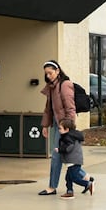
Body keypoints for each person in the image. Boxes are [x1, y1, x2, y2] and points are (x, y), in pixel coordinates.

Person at [38, 60, 77, 195]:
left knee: (57, 155)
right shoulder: (51, 87)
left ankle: (52, 187)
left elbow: (70, 108)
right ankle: (87, 181)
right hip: (56, 124)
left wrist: (68, 127)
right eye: (46, 74)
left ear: (58, 71)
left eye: (50, 73)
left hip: (64, 126)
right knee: (63, 156)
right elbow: (48, 109)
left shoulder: (65, 85)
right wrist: (45, 125)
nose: (48, 76)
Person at [55, 118, 94, 198]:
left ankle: (87, 184)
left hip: (73, 161)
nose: (59, 130)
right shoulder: (72, 135)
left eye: (60, 128)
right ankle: (69, 191)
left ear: (67, 129)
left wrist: (60, 150)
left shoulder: (68, 137)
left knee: (74, 177)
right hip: (74, 161)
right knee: (68, 177)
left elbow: (69, 147)